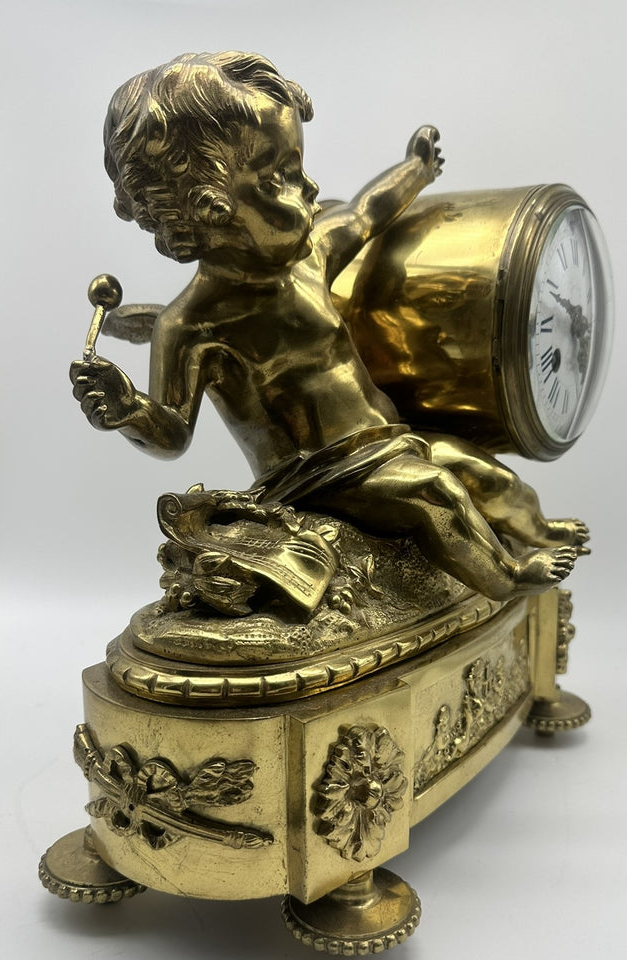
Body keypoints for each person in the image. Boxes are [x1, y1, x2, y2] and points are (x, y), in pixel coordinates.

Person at [70, 51, 588, 602]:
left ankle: (538, 529)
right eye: (282, 177)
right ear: (211, 209)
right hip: (320, 477)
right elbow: (173, 431)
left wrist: (415, 169)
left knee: (486, 475)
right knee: (434, 491)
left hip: (390, 440)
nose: (312, 188)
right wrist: (129, 411)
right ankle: (508, 577)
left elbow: (367, 212)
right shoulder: (191, 326)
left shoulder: (310, 256)